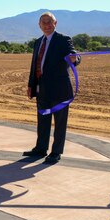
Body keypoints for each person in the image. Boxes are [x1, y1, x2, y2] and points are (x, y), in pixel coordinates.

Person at [23, 12, 80, 164]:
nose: (47, 25)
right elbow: (35, 65)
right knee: (42, 120)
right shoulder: (38, 42)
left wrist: (75, 59)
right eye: (44, 23)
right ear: (39, 25)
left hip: (60, 89)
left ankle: (56, 152)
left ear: (56, 23)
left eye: (50, 22)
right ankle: (41, 148)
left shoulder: (63, 39)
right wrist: (31, 85)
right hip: (42, 89)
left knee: (60, 122)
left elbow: (73, 54)